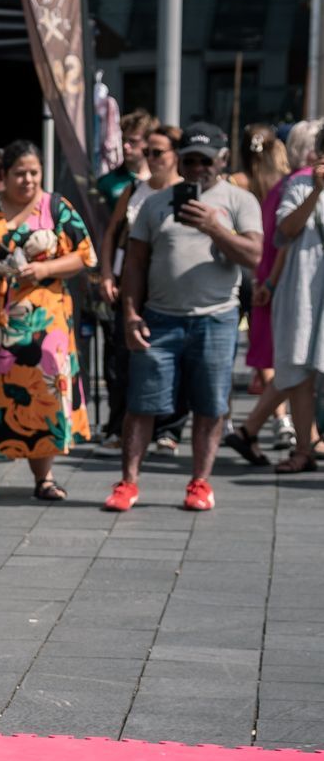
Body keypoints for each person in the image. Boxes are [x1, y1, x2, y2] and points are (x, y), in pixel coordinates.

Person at [107, 122, 262, 511]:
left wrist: (214, 228)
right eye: (190, 160)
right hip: (159, 319)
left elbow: (255, 256)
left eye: (204, 161)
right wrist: (130, 314)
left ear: (221, 160)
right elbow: (136, 264)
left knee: (210, 405)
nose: (196, 169)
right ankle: (127, 483)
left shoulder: (240, 201)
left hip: (217, 318)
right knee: (141, 403)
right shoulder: (156, 203)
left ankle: (200, 483)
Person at [0, 141, 95, 500]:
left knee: (44, 393)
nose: (28, 179)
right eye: (20, 173)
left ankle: (44, 477)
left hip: (47, 321)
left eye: (34, 172)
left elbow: (84, 256)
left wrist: (45, 269)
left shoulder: (57, 207)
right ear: (3, 175)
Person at [227, 120, 320, 464]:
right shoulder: (297, 184)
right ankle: (291, 439)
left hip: (285, 283)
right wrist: (269, 282)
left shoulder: (285, 182)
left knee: (296, 365)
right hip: (296, 288)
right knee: (295, 364)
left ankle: (271, 433)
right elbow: (283, 235)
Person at [95, 123, 186, 451]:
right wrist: (107, 274)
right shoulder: (135, 190)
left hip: (170, 286)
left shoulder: (186, 192)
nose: (151, 158)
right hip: (130, 283)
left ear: (175, 155)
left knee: (171, 357)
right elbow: (111, 233)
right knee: (122, 357)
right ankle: (119, 428)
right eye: (148, 152)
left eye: (158, 152)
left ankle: (168, 429)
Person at [94, 109, 158, 216]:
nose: (125, 146)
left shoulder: (161, 180)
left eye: (133, 141)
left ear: (148, 142)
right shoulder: (106, 183)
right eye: (123, 140)